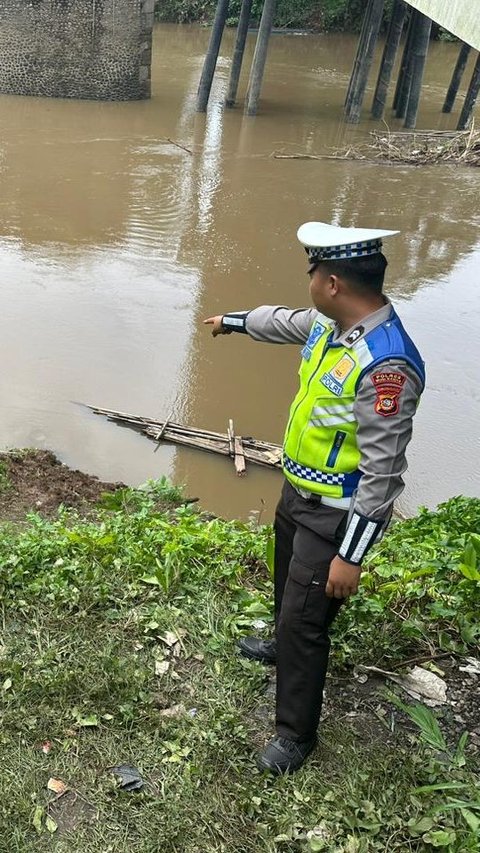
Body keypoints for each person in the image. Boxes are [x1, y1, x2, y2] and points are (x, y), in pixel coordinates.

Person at [204, 222, 425, 775]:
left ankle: (295, 735)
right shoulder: (333, 327)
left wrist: (351, 555)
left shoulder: (387, 364)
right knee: (287, 586)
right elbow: (283, 321)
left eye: (313, 273)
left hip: (336, 514)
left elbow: (382, 474)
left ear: (331, 284)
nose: (308, 284)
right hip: (298, 491)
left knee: (306, 622)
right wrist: (233, 322)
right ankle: (279, 643)